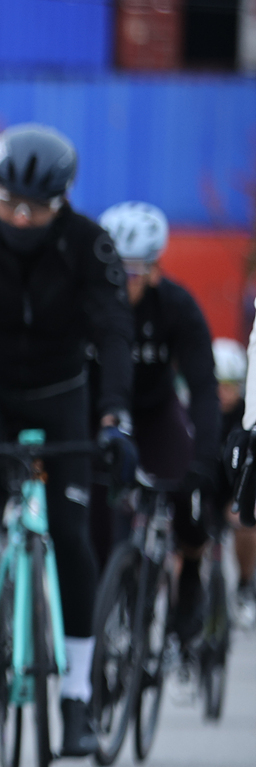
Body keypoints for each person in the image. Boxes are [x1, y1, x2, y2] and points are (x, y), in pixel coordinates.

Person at [0, 126, 134, 758]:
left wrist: (115, 418)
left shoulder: (89, 245)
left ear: (62, 202)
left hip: (60, 389)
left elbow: (114, 333)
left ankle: (75, 698)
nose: (21, 218)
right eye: (9, 203)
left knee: (71, 534)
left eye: (37, 209)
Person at [90, 202, 219, 641]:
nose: (118, 283)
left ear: (153, 271)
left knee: (188, 494)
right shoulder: (88, 303)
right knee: (95, 520)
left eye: (129, 274)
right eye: (111, 272)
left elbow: (203, 386)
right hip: (101, 414)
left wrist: (205, 457)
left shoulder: (176, 307)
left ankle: (190, 574)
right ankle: (107, 608)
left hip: (156, 412)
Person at [210, 337, 256, 625]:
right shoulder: (199, 410)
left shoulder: (247, 417)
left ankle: (244, 585)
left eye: (229, 384)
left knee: (246, 523)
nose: (222, 392)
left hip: (236, 491)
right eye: (218, 383)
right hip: (207, 488)